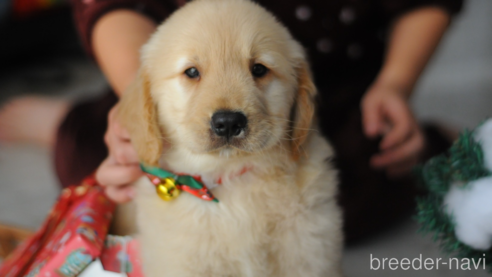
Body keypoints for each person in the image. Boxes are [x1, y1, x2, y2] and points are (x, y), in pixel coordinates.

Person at [0, 0, 462, 242]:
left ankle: (435, 140)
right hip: (167, 83)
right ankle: (67, 118)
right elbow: (114, 4)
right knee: (101, 172)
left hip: (328, 88)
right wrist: (136, 96)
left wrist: (396, 83)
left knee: (361, 186)